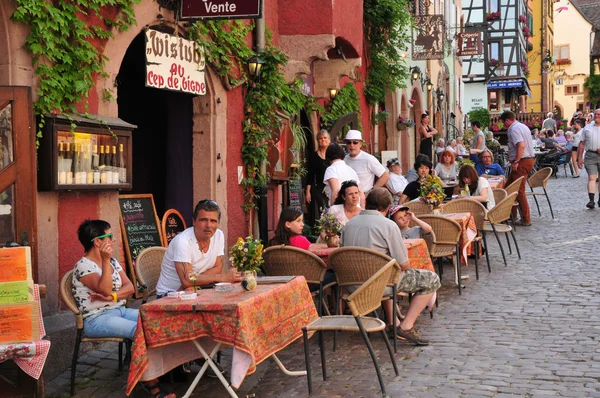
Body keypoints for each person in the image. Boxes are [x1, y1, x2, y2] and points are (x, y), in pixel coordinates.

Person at [72, 220, 174, 398]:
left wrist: (112, 296)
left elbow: (130, 288)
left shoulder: (112, 261)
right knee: (140, 330)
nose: (113, 240)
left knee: (155, 320)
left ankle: (159, 369)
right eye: (109, 236)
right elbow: (103, 288)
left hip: (119, 310)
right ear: (98, 241)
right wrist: (104, 263)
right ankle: (149, 383)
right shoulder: (83, 266)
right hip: (97, 318)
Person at [341, 188, 440, 346]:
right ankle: (406, 326)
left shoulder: (348, 225)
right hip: (379, 285)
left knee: (390, 274)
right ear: (387, 208)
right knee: (431, 279)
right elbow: (404, 264)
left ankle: (393, 322)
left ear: (366, 203)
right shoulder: (388, 225)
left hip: (352, 286)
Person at [156, 200, 241, 297]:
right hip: (170, 295)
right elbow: (186, 281)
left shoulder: (218, 235)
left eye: (213, 221)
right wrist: (222, 277)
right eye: (203, 220)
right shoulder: (183, 241)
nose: (208, 225)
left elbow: (217, 268)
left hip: (198, 289)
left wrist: (196, 280)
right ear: (194, 222)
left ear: (218, 223)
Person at [501, 110, 535, 225]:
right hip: (528, 160)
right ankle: (511, 214)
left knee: (519, 191)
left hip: (522, 161)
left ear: (507, 120)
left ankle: (526, 219)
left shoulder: (514, 129)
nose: (503, 125)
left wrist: (516, 161)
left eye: (503, 122)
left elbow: (521, 145)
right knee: (509, 188)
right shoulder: (522, 126)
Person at [305, 130, 330, 226]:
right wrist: (307, 192)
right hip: (318, 188)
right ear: (317, 141)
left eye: (325, 138)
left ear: (329, 140)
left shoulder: (332, 156)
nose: (323, 140)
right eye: (320, 138)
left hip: (331, 187)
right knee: (320, 211)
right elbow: (310, 175)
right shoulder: (314, 156)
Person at [577, 109, 600, 209]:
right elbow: (581, 143)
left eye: (599, 114)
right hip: (590, 155)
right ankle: (591, 200)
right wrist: (579, 158)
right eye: (595, 114)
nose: (596, 116)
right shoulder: (587, 127)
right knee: (592, 177)